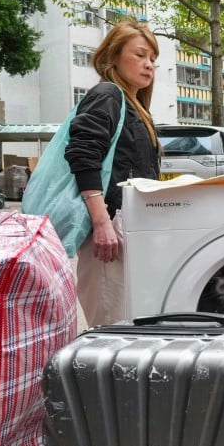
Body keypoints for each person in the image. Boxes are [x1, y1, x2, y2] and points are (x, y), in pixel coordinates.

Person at [65, 19, 161, 327]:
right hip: (110, 232)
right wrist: (101, 221)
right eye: (140, 55)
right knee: (112, 329)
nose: (148, 65)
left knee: (131, 326)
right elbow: (82, 156)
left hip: (129, 228)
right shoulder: (108, 94)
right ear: (113, 57)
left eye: (153, 60)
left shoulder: (135, 106)